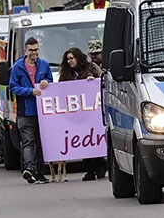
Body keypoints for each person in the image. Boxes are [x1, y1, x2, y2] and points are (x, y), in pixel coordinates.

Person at [9, 37, 53, 184]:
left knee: (42, 142)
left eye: (36, 50)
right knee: (28, 142)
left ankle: (39, 172)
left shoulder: (45, 65)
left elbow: (52, 84)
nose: (34, 53)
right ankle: (29, 169)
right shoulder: (18, 67)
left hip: (43, 111)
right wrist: (30, 91)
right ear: (25, 51)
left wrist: (47, 82)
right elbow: (13, 87)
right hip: (25, 111)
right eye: (31, 50)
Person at [58, 47, 105, 181]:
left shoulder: (92, 68)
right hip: (77, 114)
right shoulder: (66, 74)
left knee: (95, 139)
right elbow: (60, 91)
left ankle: (99, 166)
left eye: (71, 58)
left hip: (93, 111)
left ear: (78, 58)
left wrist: (94, 81)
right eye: (67, 59)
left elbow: (103, 81)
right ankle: (90, 170)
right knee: (84, 142)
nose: (69, 61)